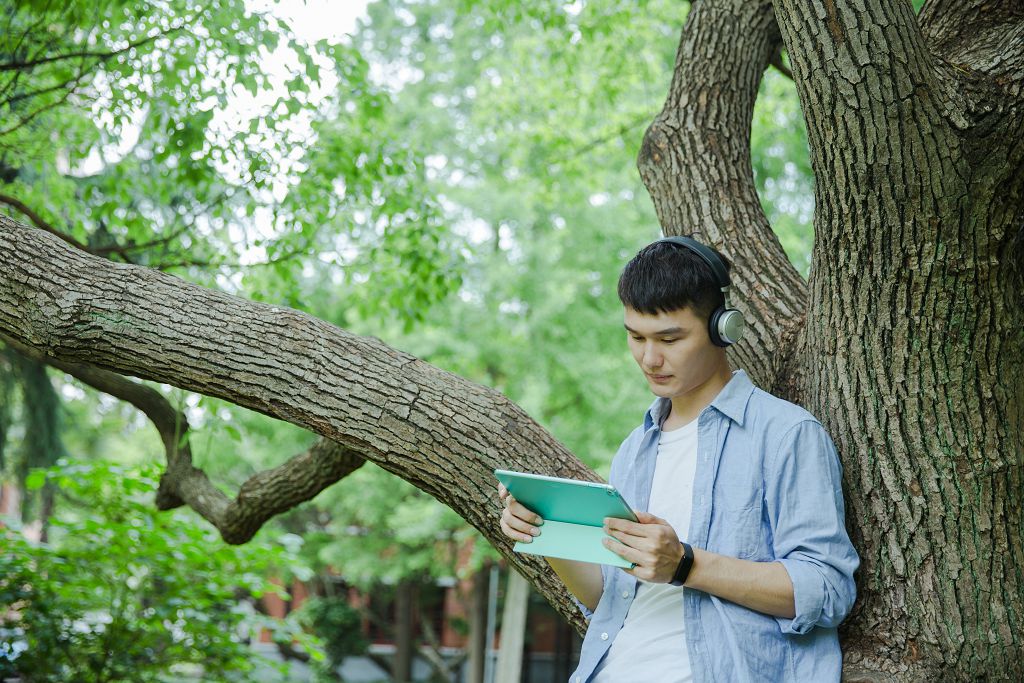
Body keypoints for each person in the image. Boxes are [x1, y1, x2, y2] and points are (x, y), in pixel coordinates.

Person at [498, 236, 859, 682]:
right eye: (636, 337)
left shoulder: (786, 434)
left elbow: (827, 590)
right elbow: (609, 599)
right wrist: (544, 534)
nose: (649, 358)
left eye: (670, 338)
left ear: (722, 328)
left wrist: (685, 564)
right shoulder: (635, 450)